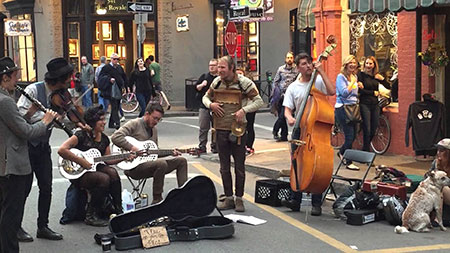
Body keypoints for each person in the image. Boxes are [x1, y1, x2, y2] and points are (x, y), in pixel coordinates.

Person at [16, 57, 79, 242]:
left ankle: (42, 226)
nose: (69, 81)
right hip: (28, 146)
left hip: (42, 147)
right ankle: (16, 227)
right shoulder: (33, 90)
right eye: (67, 78)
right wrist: (43, 116)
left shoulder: (62, 94)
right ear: (59, 79)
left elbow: (60, 122)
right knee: (23, 189)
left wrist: (76, 125)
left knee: (46, 187)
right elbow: (20, 120)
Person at [0, 56, 57, 252]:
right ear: (5, 78)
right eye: (15, 76)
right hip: (13, 164)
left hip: (6, 163)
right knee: (11, 215)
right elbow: (25, 132)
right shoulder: (5, 101)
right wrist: (46, 121)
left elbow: (14, 125)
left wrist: (30, 112)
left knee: (6, 211)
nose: (18, 81)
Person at [203, 56, 263, 212]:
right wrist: (211, 105)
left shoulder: (244, 83)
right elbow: (205, 97)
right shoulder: (216, 82)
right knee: (224, 167)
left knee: (239, 167)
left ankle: (239, 198)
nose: (219, 70)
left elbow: (258, 101)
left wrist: (244, 110)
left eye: (223, 68)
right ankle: (228, 198)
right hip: (221, 129)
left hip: (238, 130)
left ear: (231, 68)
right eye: (218, 67)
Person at [281, 53, 335, 216]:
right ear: (298, 67)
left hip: (315, 130)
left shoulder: (318, 81)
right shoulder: (293, 87)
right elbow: (287, 110)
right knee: (298, 163)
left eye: (310, 63)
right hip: (300, 128)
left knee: (317, 164)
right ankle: (295, 200)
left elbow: (331, 91)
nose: (308, 66)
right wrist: (290, 118)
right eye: (304, 64)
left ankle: (316, 203)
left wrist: (322, 72)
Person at [58, 106, 124, 227]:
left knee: (112, 173)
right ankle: (91, 215)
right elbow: (62, 150)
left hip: (94, 168)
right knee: (104, 178)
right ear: (93, 121)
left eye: (104, 119)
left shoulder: (104, 139)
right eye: (101, 120)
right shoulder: (81, 135)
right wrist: (81, 161)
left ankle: (118, 209)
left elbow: (108, 160)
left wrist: (126, 157)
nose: (104, 122)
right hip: (79, 172)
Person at [111, 103, 188, 204]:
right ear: (147, 114)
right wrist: (132, 148)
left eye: (159, 120)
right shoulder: (134, 124)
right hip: (133, 167)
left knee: (181, 161)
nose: (156, 122)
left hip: (149, 164)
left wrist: (170, 152)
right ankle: (157, 199)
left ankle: (185, 195)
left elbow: (154, 152)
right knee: (161, 164)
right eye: (155, 118)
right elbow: (115, 137)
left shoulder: (154, 130)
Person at [357, 56, 391, 152]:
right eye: (367, 63)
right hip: (364, 103)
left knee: (374, 127)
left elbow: (388, 86)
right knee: (367, 128)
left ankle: (365, 147)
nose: (368, 65)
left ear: (374, 65)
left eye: (370, 63)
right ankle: (366, 151)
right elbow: (360, 90)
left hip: (375, 104)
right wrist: (372, 93)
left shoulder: (376, 76)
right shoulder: (361, 75)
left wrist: (382, 79)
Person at [335, 55, 361, 170]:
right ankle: (348, 160)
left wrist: (359, 86)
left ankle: (342, 152)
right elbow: (344, 93)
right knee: (349, 135)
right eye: (350, 62)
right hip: (343, 108)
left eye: (354, 63)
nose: (353, 65)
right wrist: (352, 83)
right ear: (345, 64)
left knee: (354, 134)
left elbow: (354, 94)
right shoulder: (341, 77)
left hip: (353, 108)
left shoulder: (354, 76)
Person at [271, 52, 298, 142]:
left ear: (293, 59)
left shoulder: (297, 69)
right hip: (281, 96)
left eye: (291, 57)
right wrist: (273, 95)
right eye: (288, 57)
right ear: (285, 59)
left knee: (283, 116)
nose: (289, 59)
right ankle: (284, 136)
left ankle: (275, 130)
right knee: (281, 116)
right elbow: (275, 82)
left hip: (291, 96)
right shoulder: (281, 69)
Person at [98, 53, 128, 129]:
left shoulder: (119, 68)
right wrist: (109, 79)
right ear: (111, 59)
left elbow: (124, 77)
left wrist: (126, 87)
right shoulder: (106, 68)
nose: (116, 61)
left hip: (118, 90)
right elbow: (100, 78)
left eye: (117, 59)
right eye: (114, 59)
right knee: (114, 106)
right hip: (110, 90)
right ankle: (117, 124)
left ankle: (111, 123)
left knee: (117, 106)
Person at [195, 58, 218, 154]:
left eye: (213, 65)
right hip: (204, 106)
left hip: (217, 106)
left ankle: (215, 146)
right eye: (210, 66)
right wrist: (201, 85)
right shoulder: (205, 76)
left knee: (216, 128)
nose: (211, 67)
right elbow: (196, 88)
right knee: (203, 127)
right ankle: (202, 146)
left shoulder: (219, 78)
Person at [236, 68, 257, 156]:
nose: (239, 76)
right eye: (237, 74)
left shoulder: (248, 84)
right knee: (240, 127)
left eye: (241, 74)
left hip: (249, 108)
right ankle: (240, 146)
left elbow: (255, 97)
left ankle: (249, 146)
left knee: (249, 127)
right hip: (240, 109)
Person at [430, 138, 450, 224]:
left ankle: (438, 218)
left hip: (447, 192)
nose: (438, 152)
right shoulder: (435, 163)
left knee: (443, 188)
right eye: (438, 150)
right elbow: (428, 178)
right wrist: (436, 171)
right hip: (440, 195)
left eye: (442, 150)